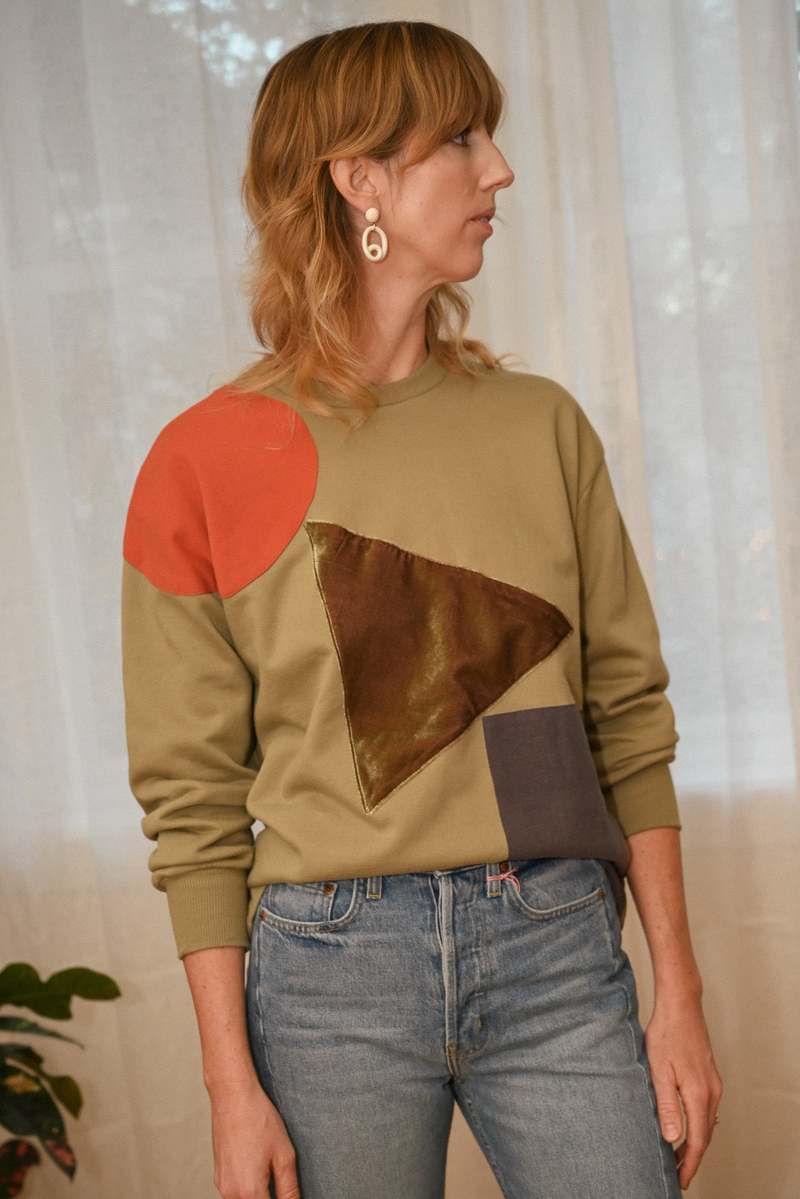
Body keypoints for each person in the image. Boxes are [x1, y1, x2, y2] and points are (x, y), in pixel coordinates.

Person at [120, 19, 723, 1199]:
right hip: (326, 973)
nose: (498, 168)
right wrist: (230, 1087)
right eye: (459, 139)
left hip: (554, 942)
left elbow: (625, 721)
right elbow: (190, 800)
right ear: (359, 179)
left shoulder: (540, 426)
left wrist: (679, 998)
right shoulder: (204, 459)